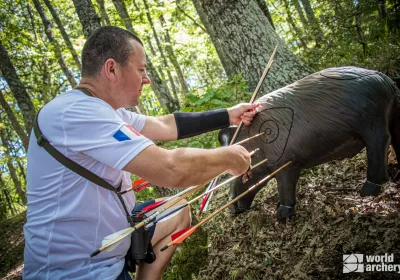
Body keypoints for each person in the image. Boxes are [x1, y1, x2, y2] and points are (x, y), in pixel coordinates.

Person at [23, 26, 258, 280]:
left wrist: (228, 115)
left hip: (110, 245)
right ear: (112, 69)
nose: (146, 79)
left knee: (178, 210)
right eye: (141, 70)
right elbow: (170, 169)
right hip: (78, 273)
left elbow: (165, 125)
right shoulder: (75, 113)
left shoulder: (106, 110)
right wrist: (230, 157)